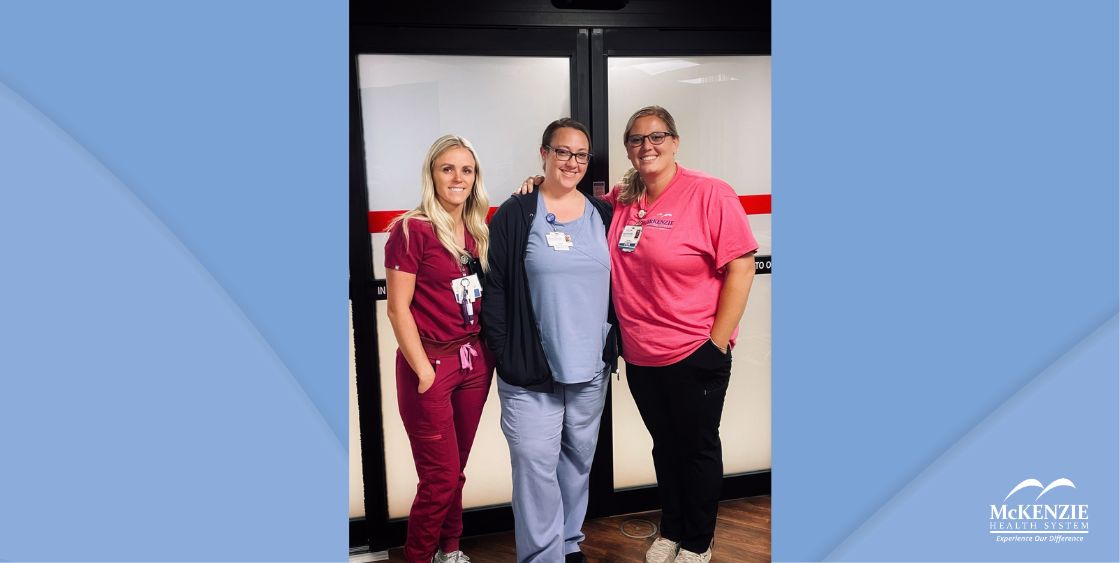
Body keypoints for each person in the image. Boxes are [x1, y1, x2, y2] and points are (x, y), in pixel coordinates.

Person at [518, 105, 758, 563]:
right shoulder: (625, 199)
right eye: (636, 139)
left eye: (657, 137)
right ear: (627, 149)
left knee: (697, 448)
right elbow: (572, 203)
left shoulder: (710, 193)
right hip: (642, 354)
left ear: (675, 142)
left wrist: (716, 343)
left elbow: (742, 268)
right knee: (665, 447)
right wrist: (538, 187)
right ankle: (671, 529)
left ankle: (697, 541)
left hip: (694, 351)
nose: (647, 147)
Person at [482, 118, 619, 563]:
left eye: (581, 154)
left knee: (578, 462)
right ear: (544, 153)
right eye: (562, 151)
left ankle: (568, 542)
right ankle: (542, 556)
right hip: (529, 367)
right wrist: (504, 354)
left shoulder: (603, 213)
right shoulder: (517, 213)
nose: (572, 162)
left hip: (589, 366)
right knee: (534, 465)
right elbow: (496, 288)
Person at [384, 134, 495, 563]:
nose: (458, 177)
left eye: (466, 170)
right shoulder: (411, 230)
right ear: (432, 173)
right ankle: (418, 556)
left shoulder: (476, 229)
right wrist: (425, 373)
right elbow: (397, 310)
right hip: (429, 363)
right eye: (448, 168)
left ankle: (449, 550)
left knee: (455, 472)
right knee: (439, 478)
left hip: (473, 363)